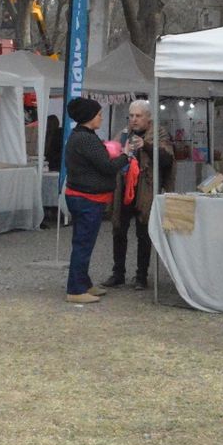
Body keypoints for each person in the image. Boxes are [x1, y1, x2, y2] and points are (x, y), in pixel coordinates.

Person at [62, 97, 131, 304]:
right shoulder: (86, 139)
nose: (101, 117)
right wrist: (126, 155)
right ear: (89, 117)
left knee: (84, 243)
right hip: (87, 198)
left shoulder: (82, 136)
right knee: (83, 244)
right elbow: (107, 167)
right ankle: (75, 289)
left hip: (83, 196)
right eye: (99, 114)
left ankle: (84, 283)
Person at [104, 99, 174, 290]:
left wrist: (146, 146)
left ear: (148, 118)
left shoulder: (159, 133)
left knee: (143, 234)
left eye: (138, 116)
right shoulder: (124, 134)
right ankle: (118, 273)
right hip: (124, 188)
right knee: (118, 230)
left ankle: (141, 276)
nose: (134, 120)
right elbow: (113, 155)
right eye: (131, 116)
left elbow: (167, 159)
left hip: (146, 189)